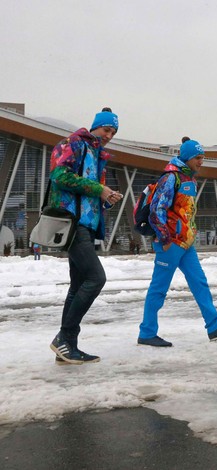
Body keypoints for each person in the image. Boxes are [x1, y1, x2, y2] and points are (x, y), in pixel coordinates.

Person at [137, 137, 217, 347]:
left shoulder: (190, 180)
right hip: (170, 243)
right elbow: (157, 210)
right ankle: (147, 333)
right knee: (158, 288)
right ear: (187, 158)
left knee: (200, 283)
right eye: (198, 158)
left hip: (186, 243)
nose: (201, 162)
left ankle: (214, 326)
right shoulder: (170, 178)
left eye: (202, 158)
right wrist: (164, 238)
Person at [49, 107, 123, 365]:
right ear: (95, 126)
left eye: (113, 131)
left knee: (78, 285)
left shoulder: (96, 153)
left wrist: (106, 197)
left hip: (86, 224)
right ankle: (64, 337)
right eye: (106, 129)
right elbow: (59, 176)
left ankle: (68, 346)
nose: (110, 135)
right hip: (72, 223)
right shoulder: (74, 143)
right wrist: (99, 189)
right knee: (96, 278)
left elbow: (88, 191)